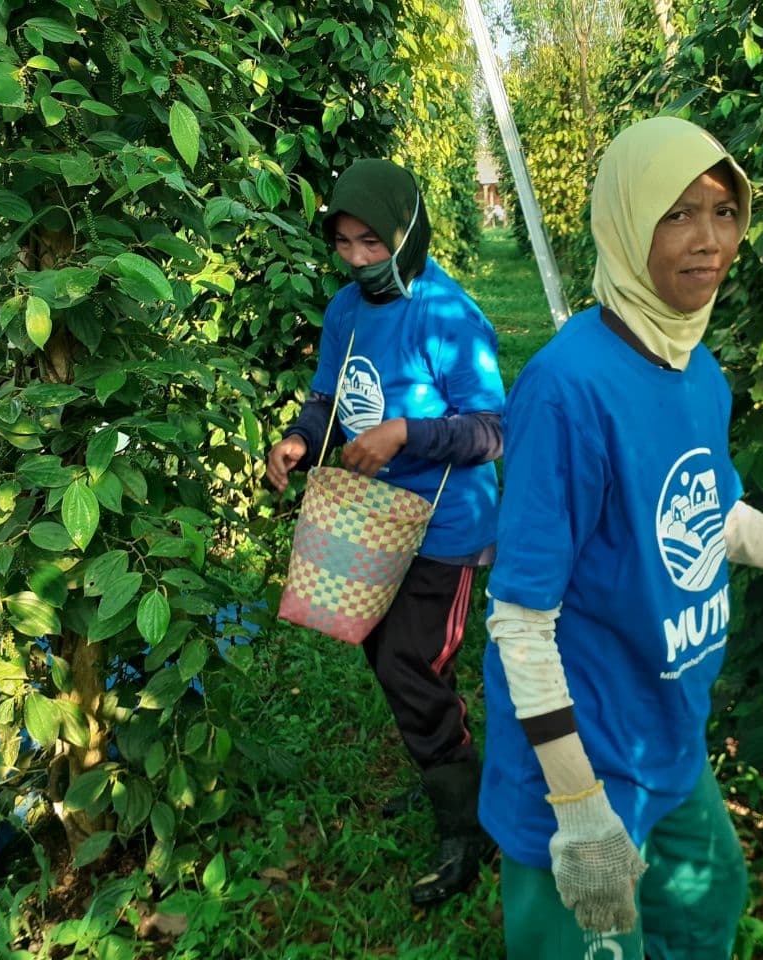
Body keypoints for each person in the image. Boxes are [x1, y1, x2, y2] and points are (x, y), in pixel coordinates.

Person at [478, 117, 763, 958]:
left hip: (664, 730)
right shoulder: (568, 391)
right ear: (625, 222)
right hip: (581, 755)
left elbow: (714, 518)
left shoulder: (697, 371)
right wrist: (579, 814)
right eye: (677, 214)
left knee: (709, 894)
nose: (708, 241)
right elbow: (520, 622)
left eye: (724, 213)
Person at [266, 159, 505, 906]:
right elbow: (327, 396)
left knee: (412, 661)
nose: (360, 259)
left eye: (373, 242)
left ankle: (469, 826)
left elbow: (494, 429)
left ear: (406, 232)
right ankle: (447, 780)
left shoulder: (449, 318)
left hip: (444, 527)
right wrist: (302, 439)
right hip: (368, 519)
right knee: (382, 649)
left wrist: (405, 433)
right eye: (345, 244)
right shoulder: (347, 310)